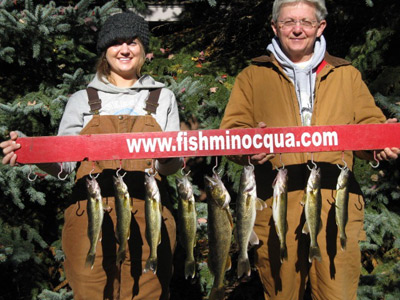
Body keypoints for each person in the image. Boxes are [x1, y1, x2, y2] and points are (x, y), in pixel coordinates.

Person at [219, 0, 399, 299]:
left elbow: (369, 124)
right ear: (275, 26)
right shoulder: (252, 76)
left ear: (320, 27)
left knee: (337, 293)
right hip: (275, 202)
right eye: (289, 22)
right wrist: (247, 146)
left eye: (305, 21)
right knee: (280, 293)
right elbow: (232, 133)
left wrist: (381, 142)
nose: (297, 29)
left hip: (335, 202)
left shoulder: (346, 74)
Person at [1, 11, 182, 300]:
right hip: (90, 219)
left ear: (144, 50)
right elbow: (64, 165)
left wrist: (173, 154)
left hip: (150, 215)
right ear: (105, 49)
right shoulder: (82, 100)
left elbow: (168, 167)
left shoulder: (163, 98)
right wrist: (31, 151)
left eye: (133, 42)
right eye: (116, 43)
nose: (125, 50)